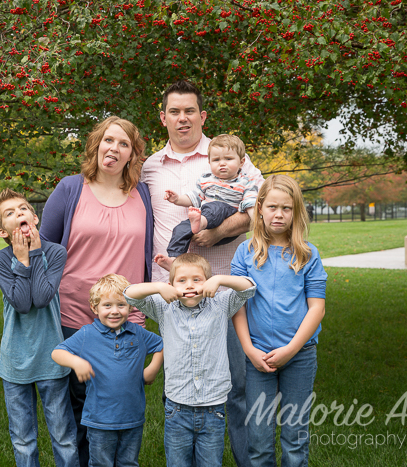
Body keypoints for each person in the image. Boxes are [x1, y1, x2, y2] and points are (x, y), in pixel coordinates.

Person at [143, 79, 262, 467]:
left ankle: (246, 460)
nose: (182, 118)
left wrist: (216, 233)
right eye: (174, 112)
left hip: (223, 289)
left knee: (235, 387)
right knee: (179, 386)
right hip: (172, 294)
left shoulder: (227, 155)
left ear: (202, 115)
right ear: (163, 118)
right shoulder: (149, 168)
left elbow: (257, 210)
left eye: (189, 111)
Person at [37, 116, 154, 465]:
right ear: (96, 145)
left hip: (127, 316)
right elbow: (44, 247)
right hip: (77, 316)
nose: (114, 148)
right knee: (82, 410)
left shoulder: (143, 194)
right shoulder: (70, 189)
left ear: (132, 154)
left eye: (123, 144)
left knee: (119, 407)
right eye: (108, 140)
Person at [124, 253, 257, 467]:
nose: (190, 286)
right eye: (182, 281)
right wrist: (158, 287)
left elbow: (249, 288)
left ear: (208, 283)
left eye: (197, 279)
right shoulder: (163, 307)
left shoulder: (221, 304)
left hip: (213, 407)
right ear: (171, 284)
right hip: (177, 407)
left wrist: (219, 279)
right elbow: (130, 295)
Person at [232, 175, 327, 467]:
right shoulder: (245, 252)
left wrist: (291, 350)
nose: (279, 214)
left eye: (287, 208)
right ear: (259, 208)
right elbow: (237, 307)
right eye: (272, 206)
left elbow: (317, 309)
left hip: (300, 355)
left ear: (296, 212)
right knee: (259, 440)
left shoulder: (308, 254)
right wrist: (249, 350)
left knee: (295, 438)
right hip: (258, 355)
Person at [0, 188, 78, 467]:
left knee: (63, 437)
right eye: (10, 213)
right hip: (15, 361)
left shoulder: (55, 252)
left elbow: (41, 298)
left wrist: (36, 255)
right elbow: (22, 304)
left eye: (24, 208)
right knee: (23, 440)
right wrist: (22, 260)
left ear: (35, 218)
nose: (19, 214)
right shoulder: (0, 260)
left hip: (52, 357)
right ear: (3, 232)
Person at [51, 274, 163, 467]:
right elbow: (57, 352)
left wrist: (152, 368)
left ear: (131, 306)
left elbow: (161, 344)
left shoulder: (137, 333)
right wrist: (76, 362)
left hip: (132, 418)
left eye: (121, 305)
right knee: (101, 463)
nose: (115, 311)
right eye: (107, 305)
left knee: (128, 463)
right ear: (95, 308)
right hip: (99, 420)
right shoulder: (87, 334)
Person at [155, 134, 264, 272]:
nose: (222, 163)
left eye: (228, 159)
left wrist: (256, 221)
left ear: (242, 162)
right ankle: (175, 260)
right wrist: (177, 199)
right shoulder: (206, 179)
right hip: (206, 217)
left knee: (216, 206)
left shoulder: (246, 181)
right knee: (180, 228)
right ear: (209, 162)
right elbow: (194, 197)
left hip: (227, 217)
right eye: (216, 160)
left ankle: (200, 222)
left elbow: (250, 203)